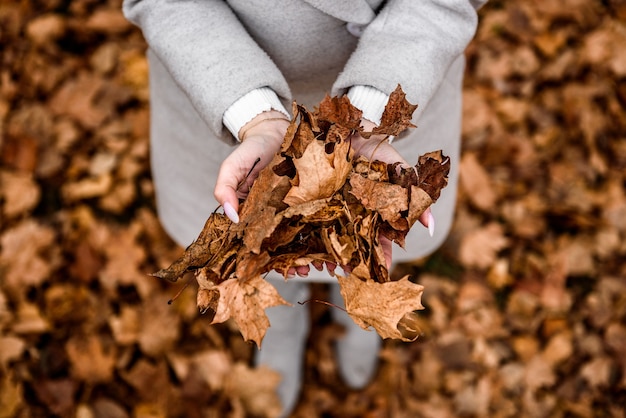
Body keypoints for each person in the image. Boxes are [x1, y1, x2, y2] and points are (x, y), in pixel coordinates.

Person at [123, 1, 486, 416]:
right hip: (218, 84)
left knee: (366, 240)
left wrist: (368, 114)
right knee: (258, 241)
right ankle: (283, 311)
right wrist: (252, 113)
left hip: (404, 71)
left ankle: (360, 303)